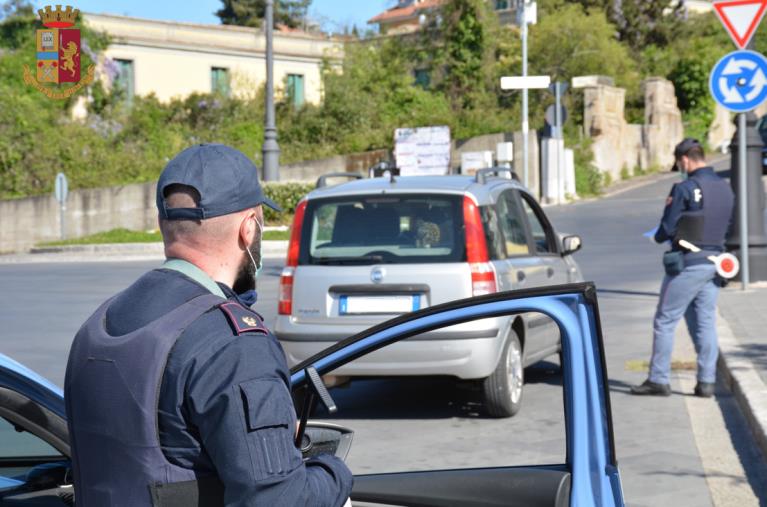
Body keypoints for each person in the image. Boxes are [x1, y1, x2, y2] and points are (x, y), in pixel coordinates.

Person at [64, 144, 353, 506]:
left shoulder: (101, 322)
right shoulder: (233, 344)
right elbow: (278, 500)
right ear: (249, 228)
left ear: (162, 224)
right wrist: (334, 473)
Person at [631, 138, 734, 398]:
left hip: (689, 264)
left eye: (679, 163)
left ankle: (658, 379)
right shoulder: (725, 187)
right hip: (716, 264)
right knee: (705, 323)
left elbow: (666, 228)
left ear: (685, 159)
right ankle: (707, 382)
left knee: (665, 320)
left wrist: (658, 237)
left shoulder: (685, 188)